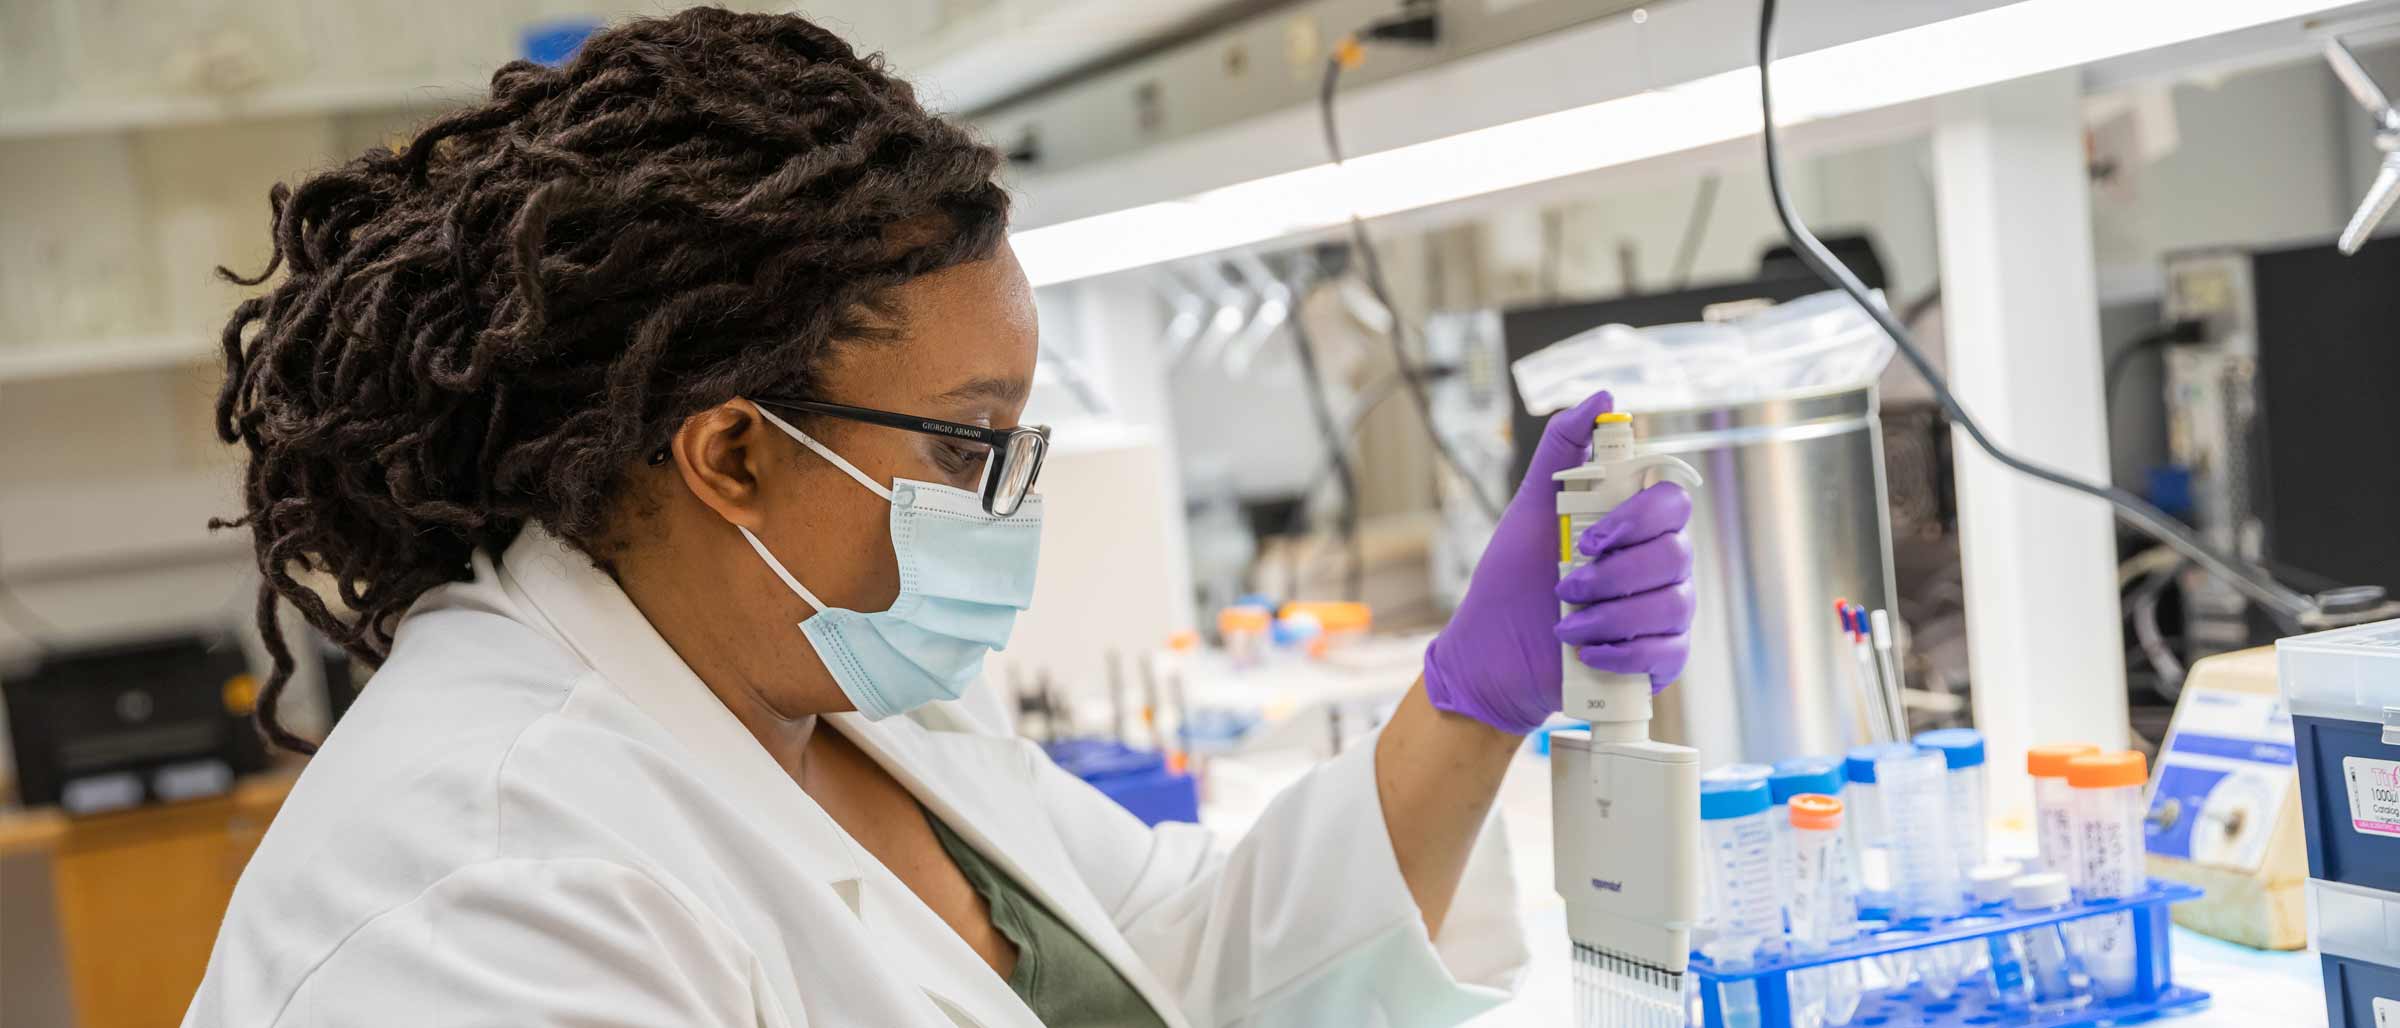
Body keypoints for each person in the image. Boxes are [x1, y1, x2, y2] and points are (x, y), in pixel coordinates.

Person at [185, 9, 1694, 1027]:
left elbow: (1210, 966)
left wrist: (1468, 704)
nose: (1006, 499)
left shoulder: (834, 690)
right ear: (730, 454)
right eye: (972, 442)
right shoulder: (487, 890)